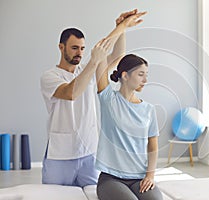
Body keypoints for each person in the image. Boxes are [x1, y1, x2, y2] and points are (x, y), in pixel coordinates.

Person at [40, 9, 146, 187]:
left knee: (93, 195)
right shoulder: (49, 77)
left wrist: (121, 28)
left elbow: (117, 55)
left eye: (82, 48)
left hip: (89, 153)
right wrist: (95, 61)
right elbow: (71, 93)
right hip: (60, 156)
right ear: (61, 47)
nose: (79, 53)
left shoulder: (86, 70)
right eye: (74, 48)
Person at [95, 54, 163, 200]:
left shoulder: (149, 109)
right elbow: (100, 63)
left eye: (146, 75)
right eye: (140, 75)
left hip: (139, 177)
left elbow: (153, 146)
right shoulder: (109, 100)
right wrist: (120, 30)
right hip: (111, 179)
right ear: (125, 76)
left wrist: (150, 176)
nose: (145, 80)